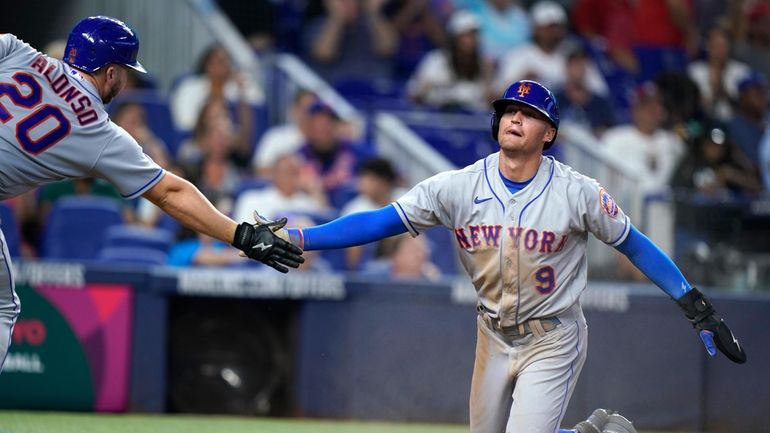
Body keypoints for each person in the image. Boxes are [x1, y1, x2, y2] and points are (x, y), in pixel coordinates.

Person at [257, 79, 746, 433]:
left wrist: (692, 302)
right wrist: (302, 238)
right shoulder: (458, 186)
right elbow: (380, 220)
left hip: (553, 337)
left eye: (529, 113)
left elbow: (633, 242)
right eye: (510, 109)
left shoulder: (577, 193)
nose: (516, 117)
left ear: (548, 133)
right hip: (492, 333)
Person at [0, 16, 303, 373]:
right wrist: (241, 234)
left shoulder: (15, 50)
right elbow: (170, 192)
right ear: (110, 73)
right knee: (4, 306)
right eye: (125, 71)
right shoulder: (99, 134)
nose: (127, 80)